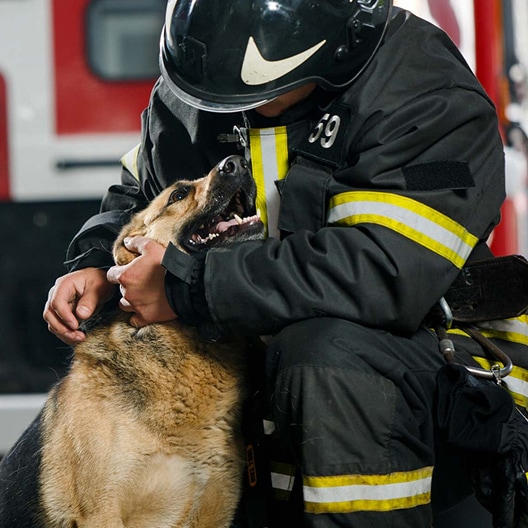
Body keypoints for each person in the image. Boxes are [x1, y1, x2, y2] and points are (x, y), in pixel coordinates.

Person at [43, 1, 528, 527]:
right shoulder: (205, 85)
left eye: (262, 90)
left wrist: (188, 288)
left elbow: (383, 269)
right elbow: (144, 191)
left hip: (429, 366)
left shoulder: (423, 91)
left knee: (327, 353)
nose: (241, 107)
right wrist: (95, 261)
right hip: (265, 368)